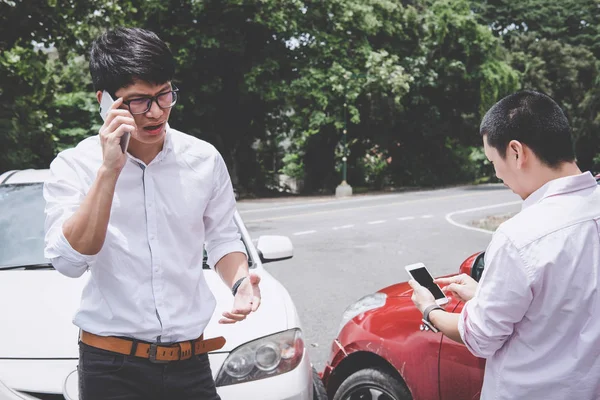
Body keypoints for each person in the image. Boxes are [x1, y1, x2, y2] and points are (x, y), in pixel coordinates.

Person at [43, 27, 260, 400]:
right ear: (104, 101)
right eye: (139, 101)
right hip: (111, 366)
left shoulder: (203, 159)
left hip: (190, 362)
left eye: (164, 95)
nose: (157, 112)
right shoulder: (74, 166)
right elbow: (69, 261)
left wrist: (240, 284)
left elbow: (223, 238)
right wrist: (109, 169)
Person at [410, 90, 600, 399]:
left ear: (515, 152)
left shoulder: (520, 236)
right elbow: (562, 304)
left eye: (492, 161)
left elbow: (480, 338)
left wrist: (429, 309)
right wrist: (484, 294)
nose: (497, 174)